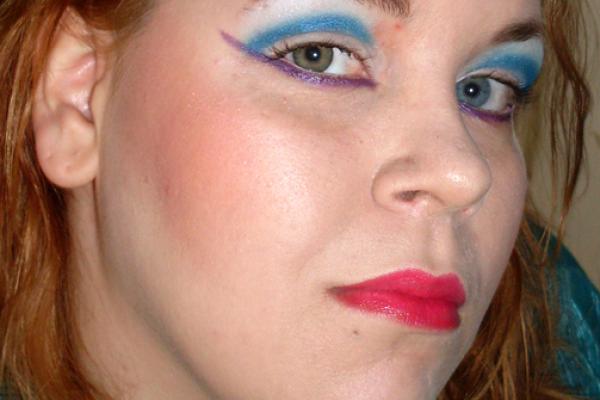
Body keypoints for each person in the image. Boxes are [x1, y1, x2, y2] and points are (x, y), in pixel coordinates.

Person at [0, 0, 597, 399]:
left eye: (486, 89)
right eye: (320, 56)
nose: (462, 174)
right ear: (79, 103)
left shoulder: (571, 343)